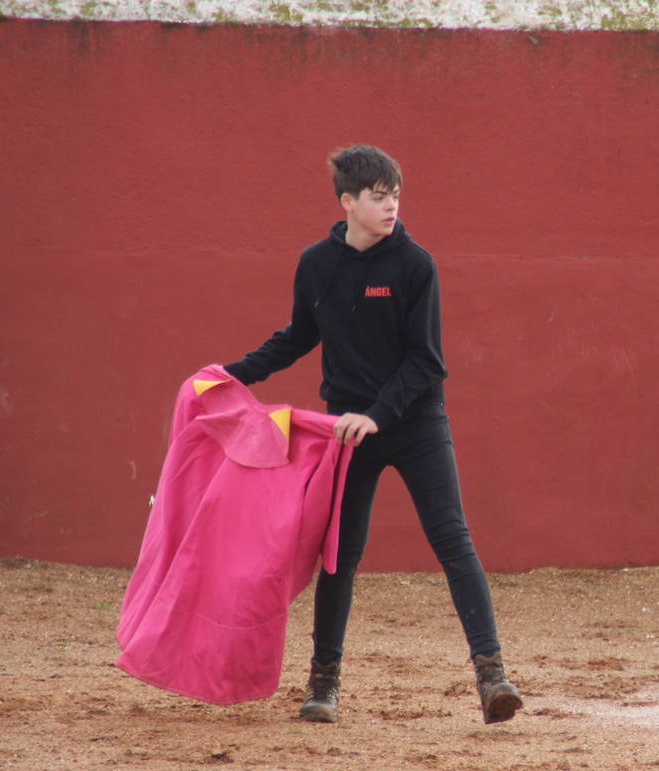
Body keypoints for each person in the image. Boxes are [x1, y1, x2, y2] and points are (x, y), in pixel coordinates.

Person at [222, 144, 521, 725]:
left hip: (414, 423)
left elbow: (426, 361)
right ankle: (323, 685)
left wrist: (378, 414)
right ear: (348, 202)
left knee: (453, 541)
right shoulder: (315, 264)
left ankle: (492, 677)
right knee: (339, 556)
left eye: (396, 196)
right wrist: (228, 377)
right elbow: (297, 337)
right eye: (380, 198)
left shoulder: (415, 264)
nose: (392, 208)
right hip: (345, 430)